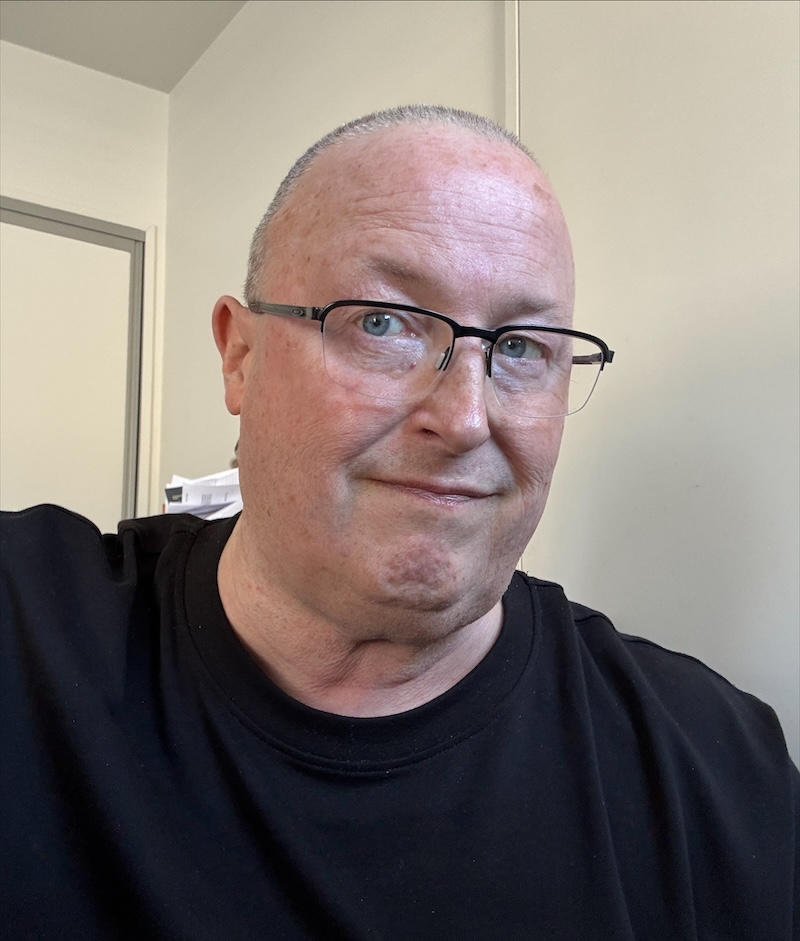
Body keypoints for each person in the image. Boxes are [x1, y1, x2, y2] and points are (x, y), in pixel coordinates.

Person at [1, 105, 797, 940]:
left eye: (522, 347)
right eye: (382, 322)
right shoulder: (28, 638)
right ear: (240, 355)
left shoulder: (717, 771)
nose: (465, 419)